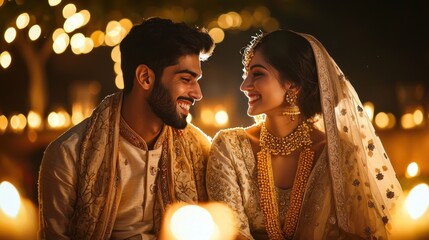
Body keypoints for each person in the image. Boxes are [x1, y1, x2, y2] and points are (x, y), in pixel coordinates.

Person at [206, 30, 402, 239]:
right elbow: (230, 233)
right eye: (246, 74)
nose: (244, 86)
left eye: (258, 74)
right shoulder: (229, 147)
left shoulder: (339, 156)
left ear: (293, 84)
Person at [38, 17, 215, 239]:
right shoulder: (69, 155)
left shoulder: (199, 150)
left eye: (196, 80)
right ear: (145, 78)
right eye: (186, 79)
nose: (197, 93)